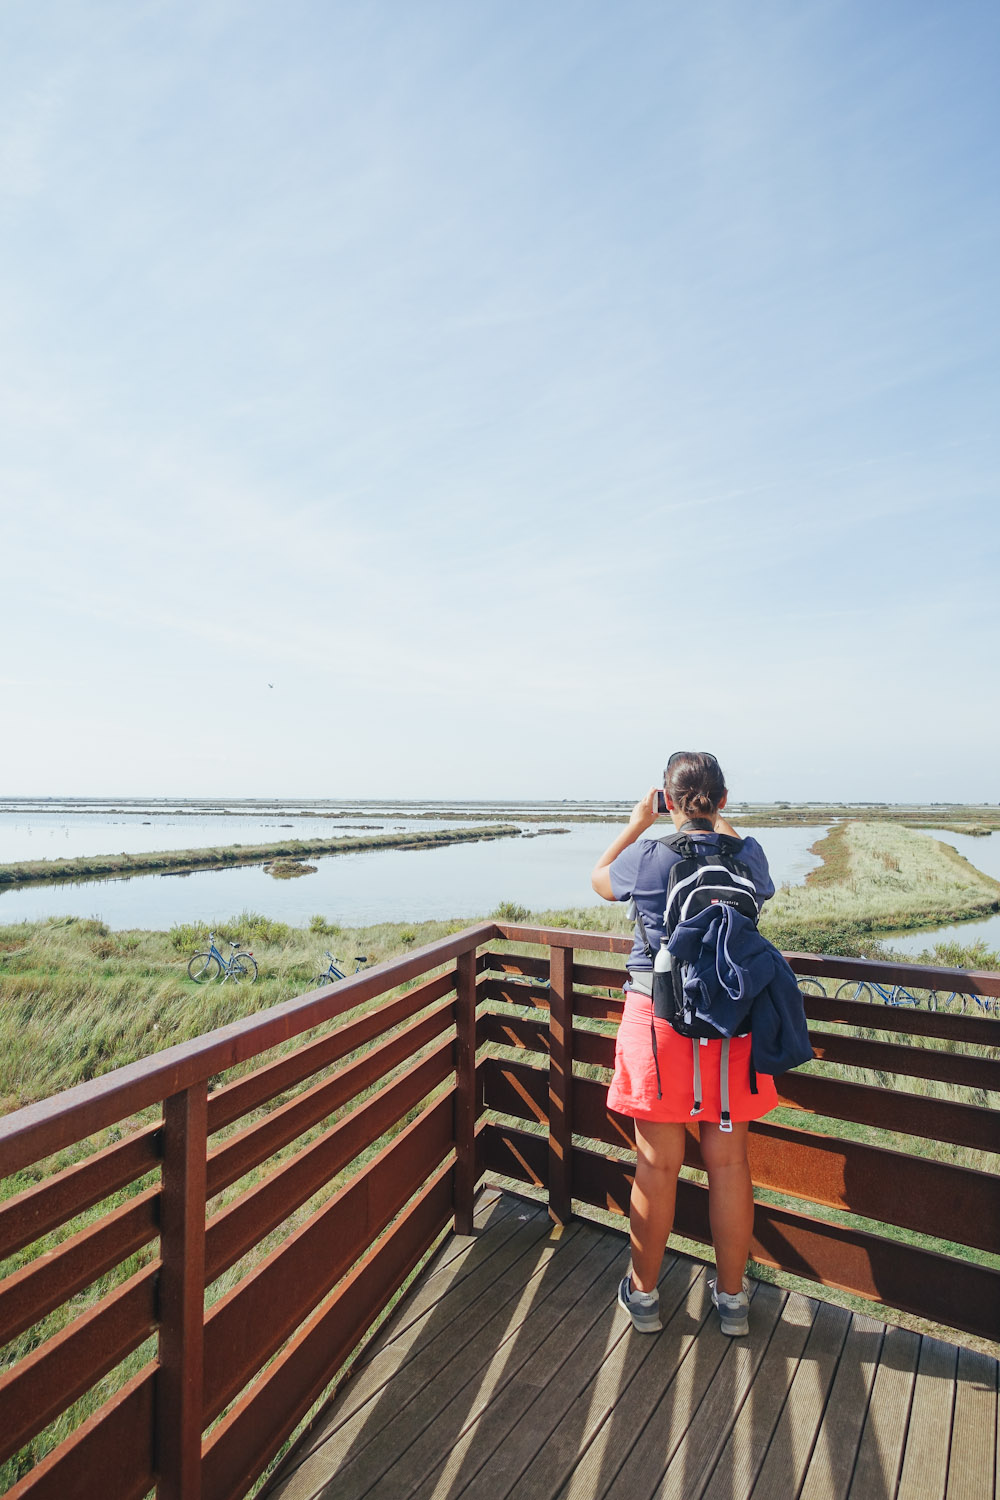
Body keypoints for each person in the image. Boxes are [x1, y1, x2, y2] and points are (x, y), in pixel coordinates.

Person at [590, 750, 777, 1337]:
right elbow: (756, 876)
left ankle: (643, 1296)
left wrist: (638, 823)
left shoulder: (646, 857)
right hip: (729, 1026)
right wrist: (719, 822)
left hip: (659, 1022)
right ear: (723, 802)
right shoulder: (746, 855)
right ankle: (732, 1301)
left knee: (657, 1165)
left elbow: (600, 879)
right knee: (729, 1165)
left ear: (668, 801)